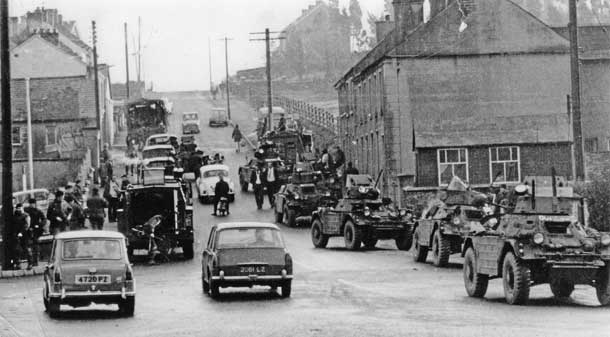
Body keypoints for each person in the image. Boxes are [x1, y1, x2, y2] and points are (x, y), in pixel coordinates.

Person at [24, 198, 46, 266]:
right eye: (31, 204)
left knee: (35, 245)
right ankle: (32, 261)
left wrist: (39, 225)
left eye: (33, 204)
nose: (32, 205)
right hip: (29, 229)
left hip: (35, 229)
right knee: (30, 245)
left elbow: (44, 219)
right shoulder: (27, 210)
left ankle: (35, 261)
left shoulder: (37, 211)